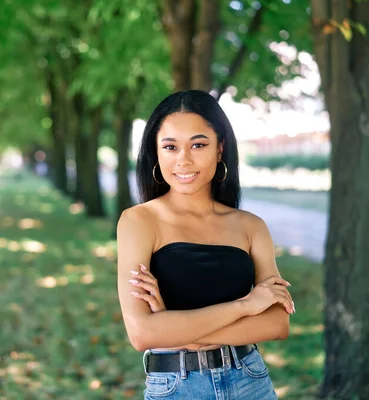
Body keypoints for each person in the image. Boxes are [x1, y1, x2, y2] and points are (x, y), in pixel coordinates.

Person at [116, 90, 294, 400]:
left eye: (198, 145)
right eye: (170, 147)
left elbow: (277, 323)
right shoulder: (139, 222)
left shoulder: (251, 226)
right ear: (156, 153)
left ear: (220, 149)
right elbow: (143, 333)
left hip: (250, 382)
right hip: (176, 388)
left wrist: (174, 324)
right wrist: (246, 306)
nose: (183, 160)